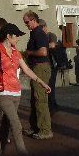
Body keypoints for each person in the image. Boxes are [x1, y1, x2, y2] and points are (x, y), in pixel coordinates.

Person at [0, 23, 50, 156]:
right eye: (16, 35)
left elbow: (26, 69)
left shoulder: (16, 52)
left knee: (6, 124)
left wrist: (41, 82)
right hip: (3, 92)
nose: (18, 38)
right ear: (9, 36)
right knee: (16, 125)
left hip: (16, 92)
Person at [23, 11, 52, 139]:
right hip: (37, 68)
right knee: (35, 99)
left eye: (27, 22)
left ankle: (45, 130)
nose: (25, 24)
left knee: (40, 100)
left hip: (40, 67)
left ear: (34, 20)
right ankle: (35, 126)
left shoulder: (38, 33)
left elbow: (43, 52)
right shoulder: (35, 33)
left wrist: (29, 53)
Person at [41, 20, 60, 114]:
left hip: (52, 65)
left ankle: (51, 108)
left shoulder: (51, 35)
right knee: (47, 86)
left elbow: (52, 45)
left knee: (50, 86)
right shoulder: (40, 36)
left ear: (45, 26)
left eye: (41, 27)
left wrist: (41, 46)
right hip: (44, 65)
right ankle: (54, 105)